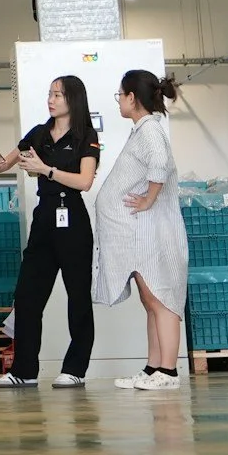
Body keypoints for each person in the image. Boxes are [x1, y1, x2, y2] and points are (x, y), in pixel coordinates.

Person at [0, 74, 100, 388]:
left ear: (73, 99)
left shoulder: (85, 136)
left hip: (72, 218)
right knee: (27, 296)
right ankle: (24, 371)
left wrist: (46, 170)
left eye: (58, 95)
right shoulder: (38, 133)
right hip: (44, 217)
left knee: (77, 296)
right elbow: (9, 161)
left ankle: (75, 368)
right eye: (49, 94)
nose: (51, 99)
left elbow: (84, 181)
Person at [93, 68, 190, 391]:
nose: (119, 100)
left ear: (132, 98)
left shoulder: (150, 131)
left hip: (153, 234)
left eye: (120, 94)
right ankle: (153, 368)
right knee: (151, 302)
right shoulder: (142, 130)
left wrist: (149, 199)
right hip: (141, 236)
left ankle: (169, 372)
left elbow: (159, 164)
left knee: (162, 300)